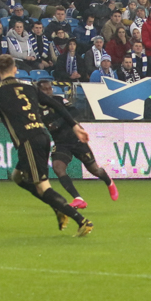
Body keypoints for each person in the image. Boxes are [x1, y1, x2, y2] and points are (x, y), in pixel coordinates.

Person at [0, 54, 93, 237]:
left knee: (42, 186)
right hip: (42, 136)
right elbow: (56, 104)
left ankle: (81, 220)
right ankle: (58, 207)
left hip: (28, 141)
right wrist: (75, 126)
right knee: (17, 176)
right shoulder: (28, 87)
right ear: (15, 69)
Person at [36, 79, 118, 209]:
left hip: (76, 139)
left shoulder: (58, 100)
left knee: (94, 170)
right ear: (38, 91)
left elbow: (74, 112)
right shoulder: (35, 108)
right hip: (61, 143)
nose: (47, 91)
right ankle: (78, 198)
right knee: (58, 168)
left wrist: (58, 122)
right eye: (44, 89)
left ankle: (109, 182)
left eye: (49, 88)